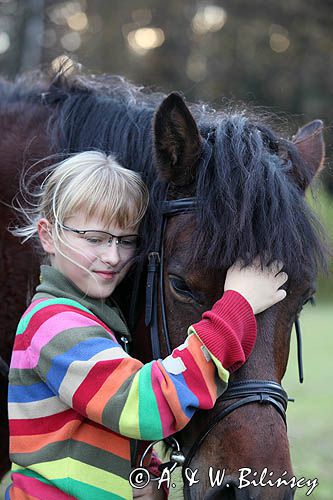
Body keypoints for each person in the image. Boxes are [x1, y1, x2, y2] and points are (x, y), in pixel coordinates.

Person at [6, 151, 287, 500]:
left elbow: (99, 425)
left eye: (125, 241)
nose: (112, 257)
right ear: (48, 235)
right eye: (94, 239)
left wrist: (144, 477)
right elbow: (142, 407)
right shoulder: (55, 325)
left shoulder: (94, 317)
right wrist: (237, 307)